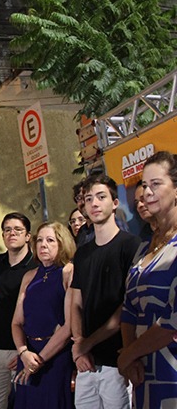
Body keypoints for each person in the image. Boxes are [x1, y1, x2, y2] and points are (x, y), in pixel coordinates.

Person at [70, 174, 139, 409]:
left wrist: (86, 343)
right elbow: (76, 303)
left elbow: (128, 306)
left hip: (118, 360)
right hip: (86, 362)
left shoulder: (131, 245)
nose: (94, 204)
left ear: (115, 202)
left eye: (101, 197)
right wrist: (80, 346)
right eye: (88, 199)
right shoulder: (82, 253)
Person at [119, 151, 177, 407]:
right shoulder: (143, 248)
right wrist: (131, 360)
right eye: (144, 184)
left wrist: (126, 355)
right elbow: (129, 309)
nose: (147, 191)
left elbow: (174, 318)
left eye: (156, 184)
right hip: (144, 377)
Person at [11, 222, 76, 408]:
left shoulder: (69, 272)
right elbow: (16, 322)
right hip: (28, 355)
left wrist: (39, 360)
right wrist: (23, 352)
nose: (43, 245)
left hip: (55, 357)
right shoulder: (29, 276)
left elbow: (68, 326)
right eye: (39, 240)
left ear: (62, 244)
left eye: (50, 240)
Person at [0, 212, 37, 409]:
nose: (12, 233)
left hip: (24, 348)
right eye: (7, 230)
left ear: (28, 236)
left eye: (18, 230)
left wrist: (25, 349)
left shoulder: (37, 266)